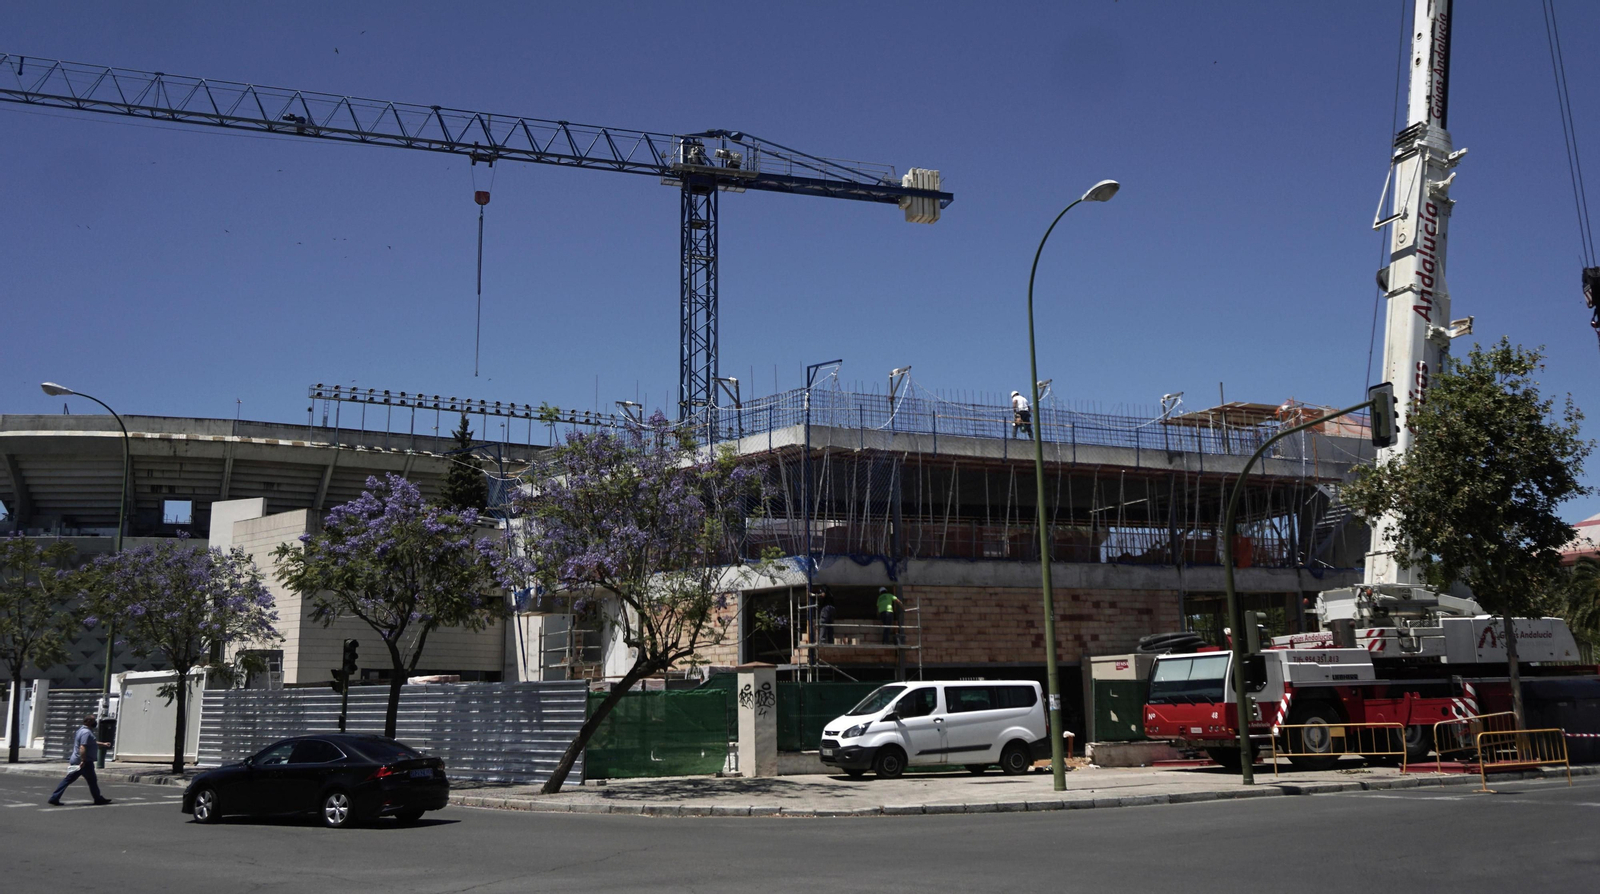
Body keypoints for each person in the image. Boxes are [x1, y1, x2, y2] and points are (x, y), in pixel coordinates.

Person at [48, 715, 113, 806]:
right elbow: (83, 746)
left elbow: (91, 742)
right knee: (92, 781)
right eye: (93, 721)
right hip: (84, 762)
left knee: (68, 779)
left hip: (77, 761)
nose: (95, 723)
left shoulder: (81, 731)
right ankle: (98, 799)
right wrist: (83, 760)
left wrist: (103, 744)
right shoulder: (86, 732)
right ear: (88, 721)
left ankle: (54, 797)